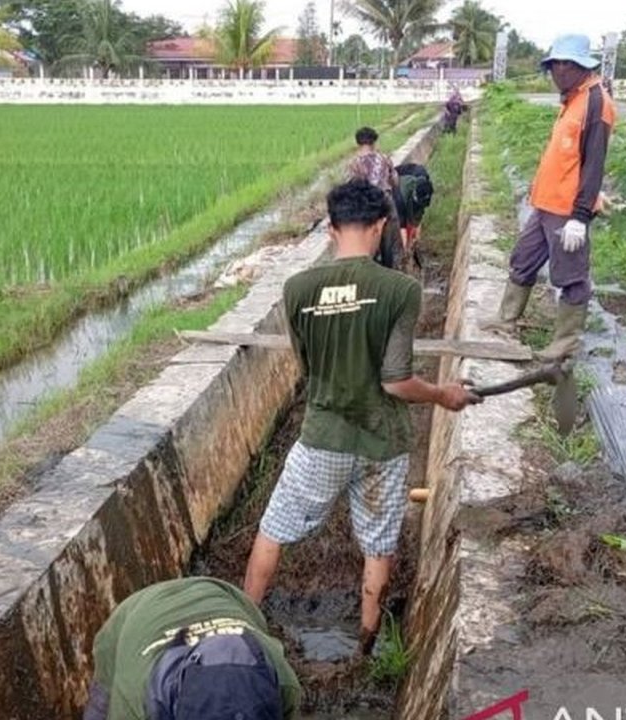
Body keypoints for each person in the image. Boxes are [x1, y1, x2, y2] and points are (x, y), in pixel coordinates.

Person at [242, 179, 480, 655]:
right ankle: (367, 643)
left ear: (331, 228)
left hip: (322, 437)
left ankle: (243, 630)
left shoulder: (298, 289)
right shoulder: (399, 290)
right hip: (381, 443)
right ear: (380, 226)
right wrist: (442, 395)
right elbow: (396, 382)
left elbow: (307, 367)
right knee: (377, 543)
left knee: (274, 528)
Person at [482, 34, 617, 360]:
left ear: (581, 67)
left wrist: (580, 217)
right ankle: (507, 319)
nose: (558, 71)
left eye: (565, 65)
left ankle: (565, 343)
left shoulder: (596, 104)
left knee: (571, 277)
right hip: (545, 204)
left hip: (567, 210)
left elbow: (593, 166)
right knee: (523, 260)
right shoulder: (572, 99)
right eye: (554, 64)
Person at [83, 577, 301, 720]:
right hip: (139, 615)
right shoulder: (135, 700)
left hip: (222, 596)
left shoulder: (284, 684)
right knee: (100, 709)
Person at [346, 126, 405, 269]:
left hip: (366, 204)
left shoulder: (354, 163)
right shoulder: (384, 158)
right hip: (385, 200)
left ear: (358, 143)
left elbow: (351, 187)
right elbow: (395, 181)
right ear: (374, 142)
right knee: (390, 241)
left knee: (366, 241)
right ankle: (392, 270)